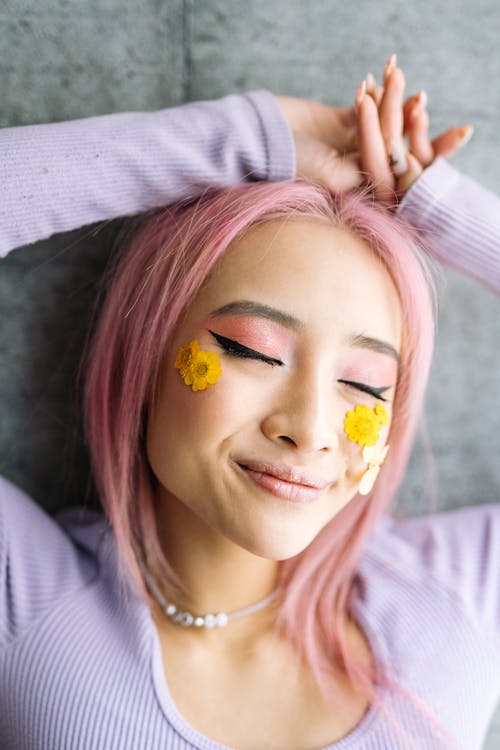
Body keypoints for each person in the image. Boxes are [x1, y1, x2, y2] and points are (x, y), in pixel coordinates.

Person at [0, 56, 499, 750]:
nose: (312, 428)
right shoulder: (29, 606)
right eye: (254, 352)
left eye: (364, 385)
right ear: (146, 357)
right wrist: (243, 137)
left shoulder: (455, 603)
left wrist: (433, 207)